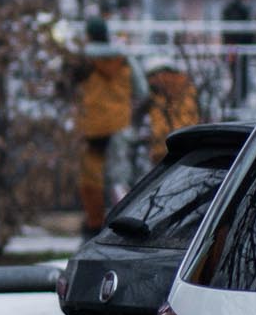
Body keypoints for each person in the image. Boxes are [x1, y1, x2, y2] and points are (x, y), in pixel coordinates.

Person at [73, 16, 144, 233]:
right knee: (119, 179)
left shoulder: (82, 60)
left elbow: (67, 88)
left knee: (91, 179)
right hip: (119, 124)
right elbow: (142, 91)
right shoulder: (124, 58)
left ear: (89, 35)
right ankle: (127, 224)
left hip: (92, 128)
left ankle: (94, 225)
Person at [142, 59, 202, 164]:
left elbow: (160, 127)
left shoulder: (158, 94)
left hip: (165, 151)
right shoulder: (186, 87)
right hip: (188, 147)